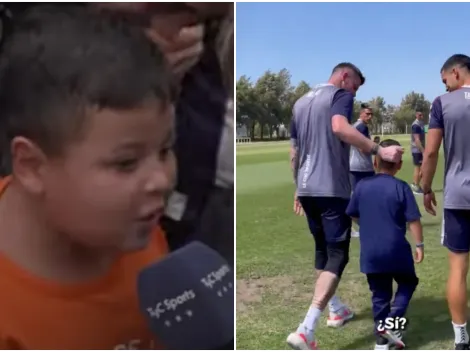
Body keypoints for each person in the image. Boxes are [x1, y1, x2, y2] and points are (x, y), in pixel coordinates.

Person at [0, 6, 175, 349]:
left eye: (166, 150)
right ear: (33, 167)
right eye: (126, 163)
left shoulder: (138, 226)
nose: (161, 180)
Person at [287, 62, 403, 350]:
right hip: (331, 188)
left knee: (322, 252)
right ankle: (306, 328)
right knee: (338, 256)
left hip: (306, 187)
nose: (354, 92)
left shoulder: (300, 102)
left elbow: (294, 152)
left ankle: (335, 308)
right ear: (344, 76)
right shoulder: (340, 95)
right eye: (355, 86)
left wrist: (297, 189)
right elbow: (339, 127)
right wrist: (378, 149)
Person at [346, 139, 423, 350]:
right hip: (396, 249)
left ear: (374, 163)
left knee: (380, 296)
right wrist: (420, 245)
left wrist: (367, 224)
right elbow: (413, 219)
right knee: (408, 282)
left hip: (371, 252)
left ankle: (382, 341)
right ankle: (393, 320)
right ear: (399, 165)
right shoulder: (401, 187)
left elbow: (352, 214)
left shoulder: (361, 186)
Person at [421, 54, 470, 350]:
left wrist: (426, 188)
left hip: (458, 196)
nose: (445, 87)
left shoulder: (442, 103)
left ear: (455, 73)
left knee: (458, 269)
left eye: (445, 81)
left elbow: (430, 153)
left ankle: (461, 338)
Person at [349, 103, 375, 238]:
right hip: (362, 167)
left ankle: (360, 225)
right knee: (362, 197)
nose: (370, 117)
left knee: (356, 196)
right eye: (367, 114)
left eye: (371, 114)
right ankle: (365, 225)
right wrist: (375, 147)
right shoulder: (361, 127)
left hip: (355, 166)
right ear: (361, 114)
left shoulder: (354, 126)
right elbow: (363, 148)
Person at [410, 111, 426, 195]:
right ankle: (415, 186)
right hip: (417, 150)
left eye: (422, 114)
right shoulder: (415, 125)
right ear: (416, 115)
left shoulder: (421, 123)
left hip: (421, 149)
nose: (421, 116)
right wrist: (423, 151)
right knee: (418, 168)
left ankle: (415, 184)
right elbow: (417, 140)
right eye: (420, 114)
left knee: (423, 168)